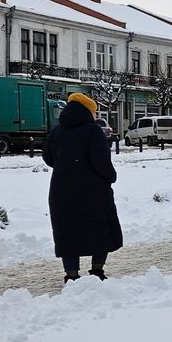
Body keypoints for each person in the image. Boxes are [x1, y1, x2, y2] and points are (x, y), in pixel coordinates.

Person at [43, 93, 123, 283]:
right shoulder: (93, 131)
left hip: (61, 190)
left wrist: (66, 167)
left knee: (68, 232)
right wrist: (110, 177)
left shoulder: (56, 131)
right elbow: (101, 162)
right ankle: (97, 271)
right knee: (100, 229)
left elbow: (48, 158)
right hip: (92, 191)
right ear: (88, 111)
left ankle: (71, 274)